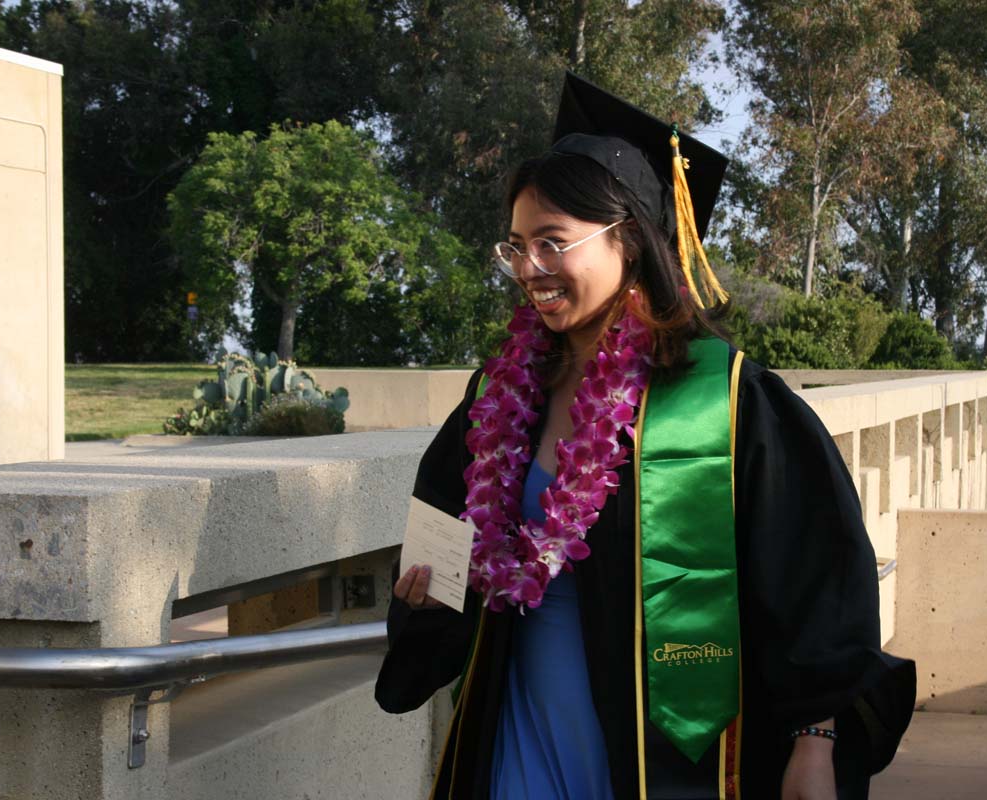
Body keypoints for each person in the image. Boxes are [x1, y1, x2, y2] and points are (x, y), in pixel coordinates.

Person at [375, 73, 915, 800]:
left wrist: (816, 741)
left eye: (552, 244)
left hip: (665, 757)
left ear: (627, 239)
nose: (529, 270)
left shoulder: (723, 400)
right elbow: (442, 549)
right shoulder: (497, 397)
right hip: (516, 727)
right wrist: (425, 601)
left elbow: (812, 579)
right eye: (517, 247)